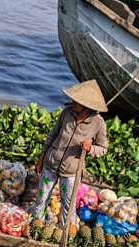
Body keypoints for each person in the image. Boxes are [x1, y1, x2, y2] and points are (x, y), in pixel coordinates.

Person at [33, 80, 108, 225]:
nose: (73, 102)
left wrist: (90, 148)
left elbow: (103, 148)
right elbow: (52, 135)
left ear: (87, 105)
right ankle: (36, 226)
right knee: (41, 199)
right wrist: (41, 156)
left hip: (72, 171)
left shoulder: (98, 123)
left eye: (77, 101)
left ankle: (67, 234)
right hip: (51, 162)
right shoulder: (67, 112)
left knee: (68, 205)